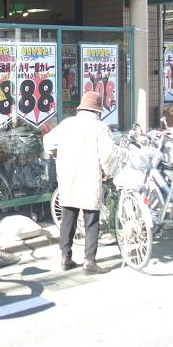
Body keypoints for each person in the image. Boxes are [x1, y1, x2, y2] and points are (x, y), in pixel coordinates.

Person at [42, 91, 117, 275]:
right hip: (90, 177)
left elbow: (48, 143)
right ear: (97, 110)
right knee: (91, 220)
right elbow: (108, 155)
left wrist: (57, 154)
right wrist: (108, 172)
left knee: (68, 218)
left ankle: (65, 257)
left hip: (68, 177)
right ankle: (89, 261)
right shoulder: (100, 127)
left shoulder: (67, 124)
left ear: (81, 108)